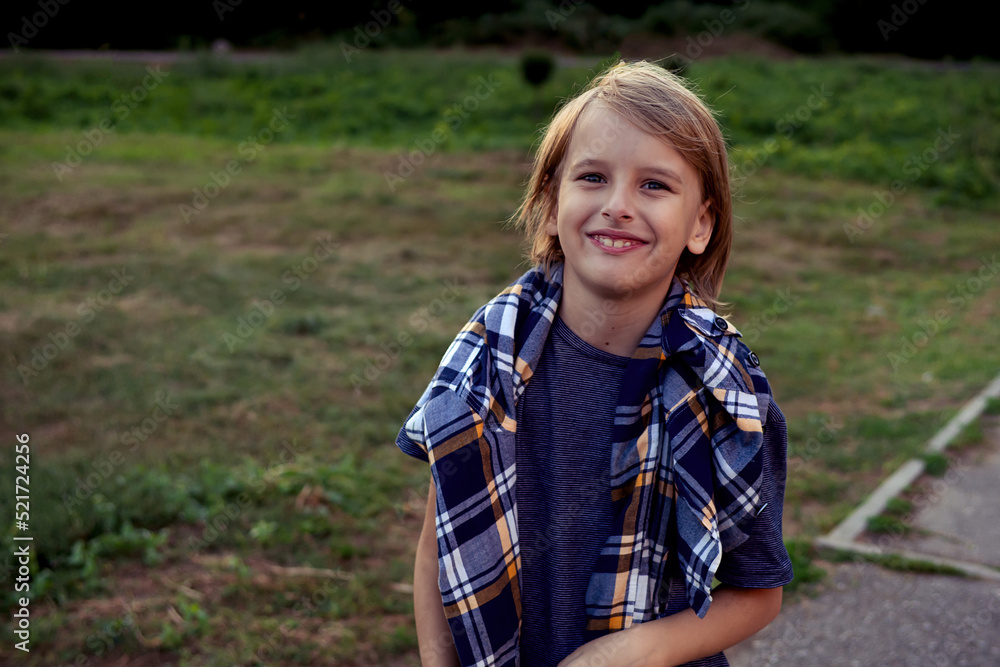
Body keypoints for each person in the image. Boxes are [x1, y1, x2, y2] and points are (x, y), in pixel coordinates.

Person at [396, 60, 793, 667]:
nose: (618, 205)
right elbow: (437, 549)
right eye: (593, 177)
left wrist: (635, 651)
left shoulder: (723, 389)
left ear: (701, 224)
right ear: (552, 204)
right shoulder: (486, 356)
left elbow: (758, 592)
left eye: (654, 185)